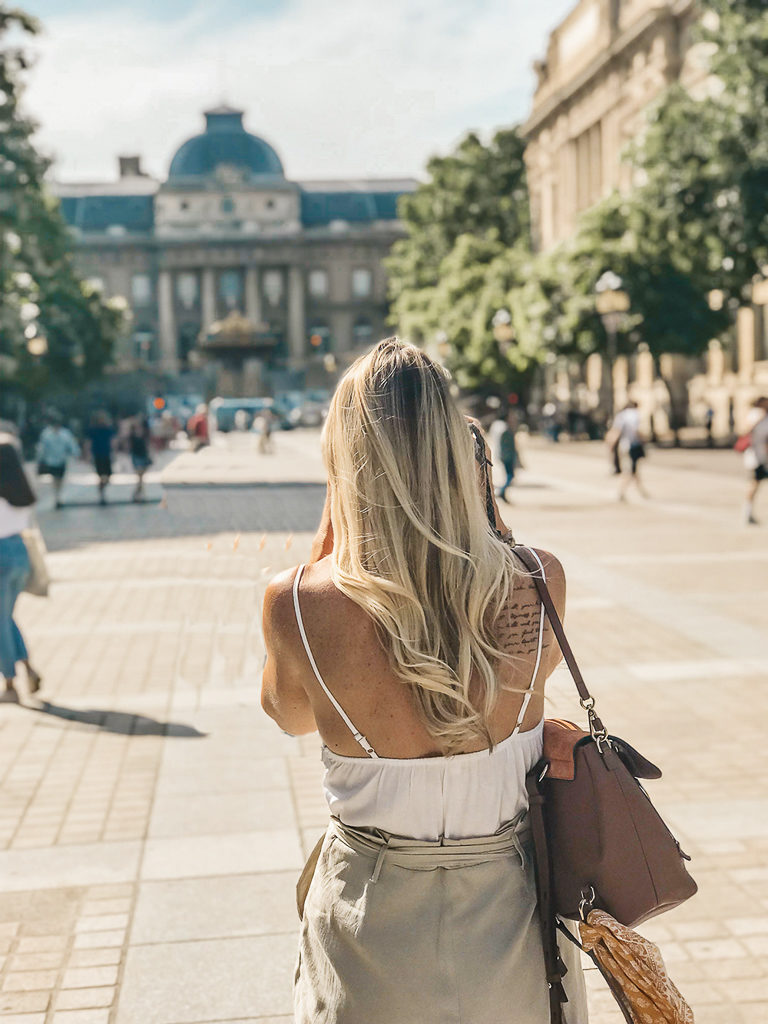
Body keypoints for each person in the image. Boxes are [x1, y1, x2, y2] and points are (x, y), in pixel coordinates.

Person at [261, 338, 587, 1024]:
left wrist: (335, 532)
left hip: (370, 917)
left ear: (345, 460)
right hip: (515, 911)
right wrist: (478, 505)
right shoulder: (538, 579)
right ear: (458, 447)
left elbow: (288, 714)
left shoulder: (295, 602)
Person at [0, 442, 42, 702]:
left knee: (1, 621)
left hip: (1, 554)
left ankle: (10, 683)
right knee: (5, 617)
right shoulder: (21, 491)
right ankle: (27, 667)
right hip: (20, 552)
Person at [36, 413, 80, 509]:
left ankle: (58, 495)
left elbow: (71, 445)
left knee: (60, 478)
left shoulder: (65, 434)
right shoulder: (46, 434)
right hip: (51, 460)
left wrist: (76, 454)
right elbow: (43, 448)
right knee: (55, 478)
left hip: (61, 459)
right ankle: (57, 497)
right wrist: (41, 459)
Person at [609, 399, 646, 500]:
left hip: (624, 445)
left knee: (632, 470)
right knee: (630, 470)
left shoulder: (621, 415)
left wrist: (611, 445)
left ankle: (640, 490)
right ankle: (622, 492)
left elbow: (616, 431)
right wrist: (643, 441)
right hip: (633, 445)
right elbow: (636, 430)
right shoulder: (634, 415)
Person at [743, 396, 768, 525]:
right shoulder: (759, 416)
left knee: (755, 483)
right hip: (759, 457)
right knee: (755, 483)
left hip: (759, 456)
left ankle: (748, 511)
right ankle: (748, 511)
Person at [86, 411, 116, 506]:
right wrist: (88, 454)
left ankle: (101, 489)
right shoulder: (93, 430)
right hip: (97, 454)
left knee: (108, 475)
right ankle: (102, 494)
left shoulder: (108, 429)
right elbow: (89, 442)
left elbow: (112, 441)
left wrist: (114, 453)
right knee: (101, 474)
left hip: (106, 454)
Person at [496, 408, 520, 504]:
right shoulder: (505, 429)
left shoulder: (497, 426)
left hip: (503, 455)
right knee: (510, 475)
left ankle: (502, 492)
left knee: (509, 475)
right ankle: (501, 491)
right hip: (507, 456)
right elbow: (510, 445)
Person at [129, 417, 152, 502]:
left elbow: (148, 444)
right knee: (140, 477)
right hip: (136, 456)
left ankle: (137, 494)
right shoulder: (132, 433)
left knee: (141, 477)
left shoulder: (145, 433)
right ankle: (139, 495)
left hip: (144, 455)